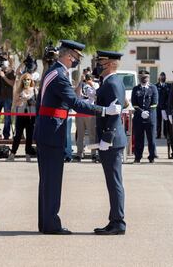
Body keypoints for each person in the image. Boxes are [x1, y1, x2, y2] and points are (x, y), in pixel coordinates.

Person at [34, 40, 121, 234]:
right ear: (68, 56)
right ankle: (51, 224)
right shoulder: (59, 76)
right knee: (52, 180)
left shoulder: (54, 71)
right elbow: (75, 103)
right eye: (75, 58)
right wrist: (104, 110)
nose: (76, 62)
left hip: (47, 129)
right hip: (52, 131)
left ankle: (45, 222)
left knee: (47, 180)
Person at [92, 50, 126, 235]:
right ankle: (114, 220)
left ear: (111, 64)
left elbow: (115, 112)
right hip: (110, 139)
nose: (98, 66)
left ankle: (118, 222)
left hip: (111, 140)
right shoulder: (110, 82)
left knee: (114, 182)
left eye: (102, 63)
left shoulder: (112, 82)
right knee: (113, 182)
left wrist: (107, 138)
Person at [7, 72, 37, 161]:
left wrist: (31, 102)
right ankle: (13, 153)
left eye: (28, 79)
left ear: (31, 80)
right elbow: (15, 103)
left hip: (31, 116)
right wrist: (20, 100)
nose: (26, 81)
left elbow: (38, 103)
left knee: (29, 135)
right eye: (24, 79)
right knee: (18, 135)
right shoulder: (19, 90)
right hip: (20, 115)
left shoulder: (35, 90)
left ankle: (28, 154)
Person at [131, 70, 158, 163]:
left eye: (146, 77)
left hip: (150, 118)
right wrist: (141, 112)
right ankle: (137, 157)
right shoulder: (135, 89)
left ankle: (152, 157)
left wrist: (148, 112)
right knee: (139, 139)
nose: (144, 79)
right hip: (138, 117)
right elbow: (134, 103)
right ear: (139, 78)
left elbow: (155, 103)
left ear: (148, 78)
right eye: (142, 77)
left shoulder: (153, 88)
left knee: (151, 139)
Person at [74, 73, 99, 162]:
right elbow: (76, 93)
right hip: (80, 112)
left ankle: (93, 153)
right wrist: (81, 82)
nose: (87, 79)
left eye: (88, 78)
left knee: (92, 135)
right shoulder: (81, 84)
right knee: (80, 135)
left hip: (90, 112)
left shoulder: (95, 85)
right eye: (86, 78)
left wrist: (91, 84)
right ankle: (79, 153)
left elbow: (98, 96)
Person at [0, 52, 15, 140]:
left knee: (7, 117)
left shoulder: (10, 71)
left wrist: (4, 76)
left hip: (7, 97)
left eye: (4, 60)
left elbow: (12, 84)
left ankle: (6, 135)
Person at [155, 72, 170, 139]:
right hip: (158, 107)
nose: (162, 77)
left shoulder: (169, 86)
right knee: (158, 121)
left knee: (166, 121)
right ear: (159, 78)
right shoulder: (156, 86)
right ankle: (158, 134)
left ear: (165, 78)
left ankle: (166, 134)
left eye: (163, 76)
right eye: (161, 76)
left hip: (165, 107)